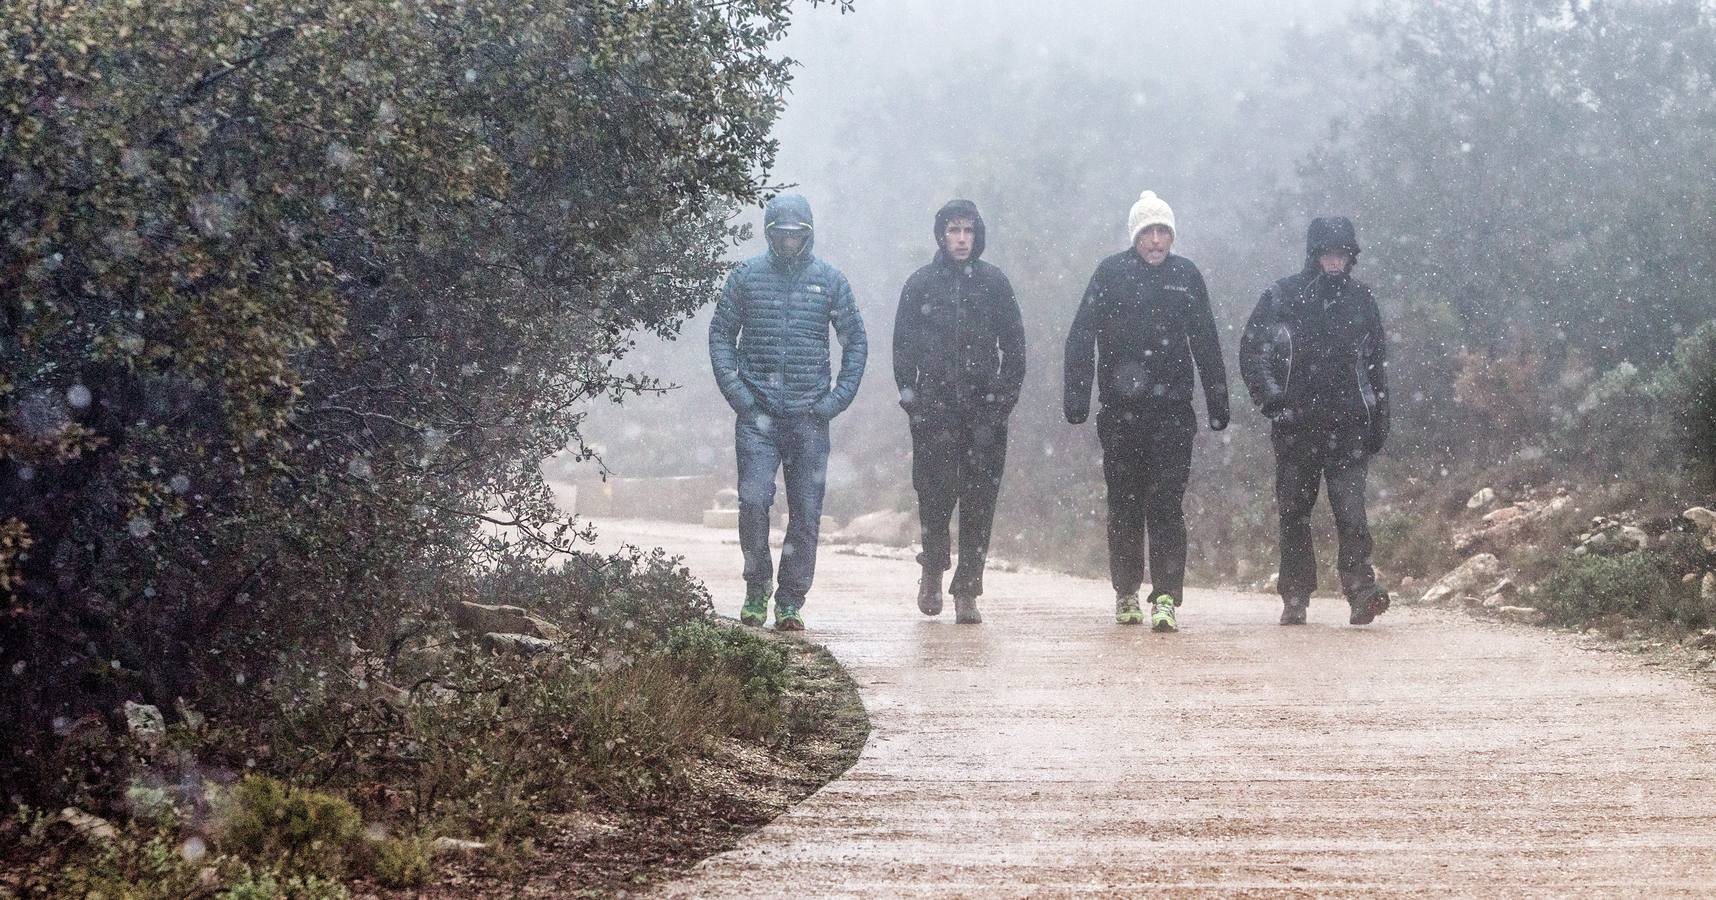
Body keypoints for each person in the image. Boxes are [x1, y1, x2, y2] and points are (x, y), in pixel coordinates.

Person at [1064, 191, 1229, 632]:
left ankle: (1166, 598)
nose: (1156, 241)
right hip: (1121, 415)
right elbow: (1081, 336)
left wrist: (1218, 401)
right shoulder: (1111, 274)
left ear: (1172, 236)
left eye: (1163, 232)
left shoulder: (1186, 277)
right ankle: (1126, 592)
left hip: (1173, 414)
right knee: (1124, 505)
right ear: (1135, 235)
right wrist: (1077, 397)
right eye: (1148, 232)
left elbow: (1206, 342)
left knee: (1167, 505)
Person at [709, 193, 867, 631]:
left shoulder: (830, 281)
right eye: (781, 234)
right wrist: (740, 396)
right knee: (754, 502)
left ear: (809, 235)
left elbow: (855, 342)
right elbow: (721, 335)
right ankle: (756, 588)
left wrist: (833, 403)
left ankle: (792, 601)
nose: (789, 241)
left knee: (806, 511)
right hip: (756, 415)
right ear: (768, 232)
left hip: (808, 419)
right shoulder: (745, 278)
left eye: (797, 235)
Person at [1239, 216, 1391, 626]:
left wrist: (1380, 415)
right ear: (1314, 254)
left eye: (1343, 254)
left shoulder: (1363, 300)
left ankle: (1362, 592)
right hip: (1296, 428)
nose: (1336, 261)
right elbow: (1253, 353)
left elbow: (1376, 364)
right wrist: (1274, 404)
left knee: (1352, 513)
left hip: (1349, 426)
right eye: (1328, 253)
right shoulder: (1282, 296)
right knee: (1294, 514)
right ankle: (1295, 596)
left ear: (1352, 256)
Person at [893, 199, 1027, 625]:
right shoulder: (919, 285)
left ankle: (968, 589)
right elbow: (902, 349)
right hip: (933, 411)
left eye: (968, 230)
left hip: (984, 414)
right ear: (941, 235)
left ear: (978, 235)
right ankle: (932, 568)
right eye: (954, 230)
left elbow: (1016, 348)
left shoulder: (994, 284)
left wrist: (1002, 401)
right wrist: (912, 400)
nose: (961, 239)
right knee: (933, 497)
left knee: (979, 502)